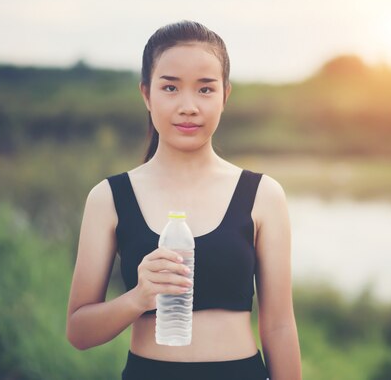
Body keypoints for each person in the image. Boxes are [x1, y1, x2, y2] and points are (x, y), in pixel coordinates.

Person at [66, 20, 302, 380]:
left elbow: (280, 327)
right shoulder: (109, 197)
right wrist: (138, 298)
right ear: (146, 94)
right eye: (171, 87)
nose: (188, 106)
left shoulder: (262, 195)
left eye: (205, 89)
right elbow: (79, 332)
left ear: (225, 95)